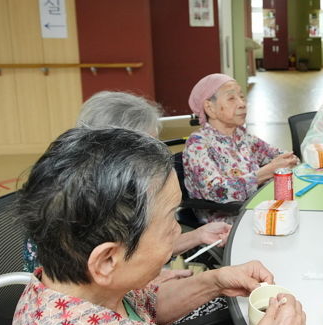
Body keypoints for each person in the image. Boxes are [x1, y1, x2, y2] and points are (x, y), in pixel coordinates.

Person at [10, 128, 306, 325]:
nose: (179, 232)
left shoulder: (81, 287)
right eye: (169, 221)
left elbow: (148, 305)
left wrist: (214, 282)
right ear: (107, 260)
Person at [23, 91, 230, 273]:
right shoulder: (92, 204)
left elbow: (140, 249)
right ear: (115, 147)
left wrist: (199, 235)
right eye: (148, 147)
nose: (156, 154)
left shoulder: (100, 183)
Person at [184, 74, 298, 223]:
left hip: (256, 207)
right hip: (225, 222)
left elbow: (275, 154)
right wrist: (264, 173)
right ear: (210, 107)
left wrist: (287, 160)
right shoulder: (198, 144)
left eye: (242, 97)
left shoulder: (241, 135)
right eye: (231, 98)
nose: (242, 104)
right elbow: (217, 192)